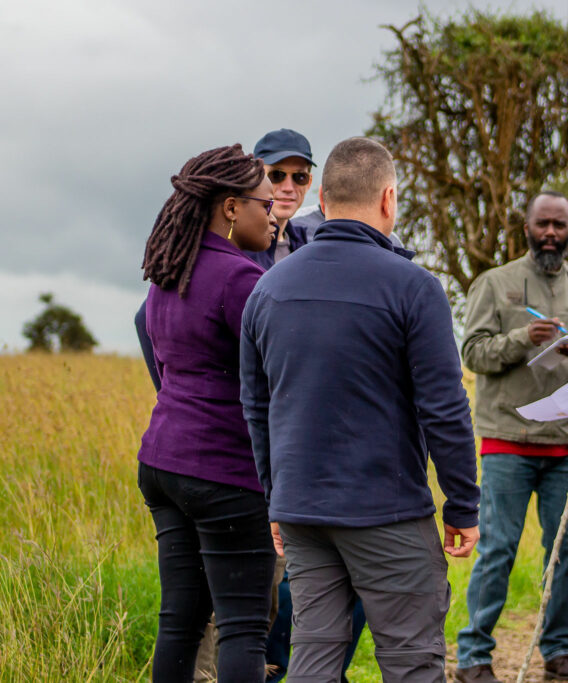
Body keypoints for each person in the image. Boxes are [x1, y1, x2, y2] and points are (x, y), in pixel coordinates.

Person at [240, 136, 480, 683]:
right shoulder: (415, 288)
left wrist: (275, 496)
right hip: (387, 512)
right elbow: (444, 409)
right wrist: (463, 505)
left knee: (314, 659)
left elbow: (256, 406)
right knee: (412, 662)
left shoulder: (268, 289)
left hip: (300, 511)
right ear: (389, 199)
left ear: (320, 199)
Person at [454, 191, 568, 683]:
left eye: (559, 225)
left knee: (566, 552)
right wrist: (524, 338)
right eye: (542, 223)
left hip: (567, 443)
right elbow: (473, 354)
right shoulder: (495, 282)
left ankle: (559, 652)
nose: (550, 233)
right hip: (506, 438)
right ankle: (474, 657)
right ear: (525, 226)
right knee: (497, 550)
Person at [136, 144, 279, 682]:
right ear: (230, 208)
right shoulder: (241, 279)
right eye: (265, 205)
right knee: (243, 628)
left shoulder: (168, 272)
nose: (273, 217)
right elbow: (276, 374)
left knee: (180, 622)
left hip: (162, 463)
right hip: (225, 471)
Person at [244, 128, 316, 267]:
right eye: (276, 175)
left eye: (300, 177)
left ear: (309, 183)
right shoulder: (239, 246)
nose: (288, 187)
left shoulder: (306, 247)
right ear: (255, 178)